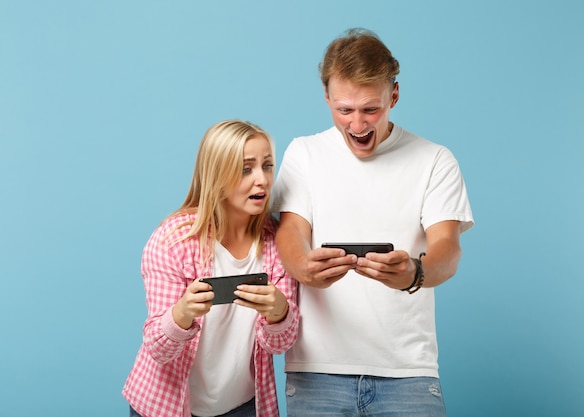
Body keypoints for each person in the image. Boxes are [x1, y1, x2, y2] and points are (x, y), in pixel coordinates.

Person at [271, 28, 474, 416]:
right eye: (344, 110)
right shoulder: (305, 153)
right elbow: (291, 230)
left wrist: (415, 272)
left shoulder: (434, 159)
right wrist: (303, 267)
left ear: (394, 95)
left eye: (371, 109)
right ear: (327, 98)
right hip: (318, 371)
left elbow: (447, 250)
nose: (358, 124)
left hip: (408, 372)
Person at [123, 120, 299, 417]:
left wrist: (279, 311)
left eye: (267, 166)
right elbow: (158, 349)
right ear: (217, 176)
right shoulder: (174, 241)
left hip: (242, 406)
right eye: (246, 169)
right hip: (164, 407)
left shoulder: (277, 240)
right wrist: (182, 313)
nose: (263, 180)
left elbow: (280, 344)